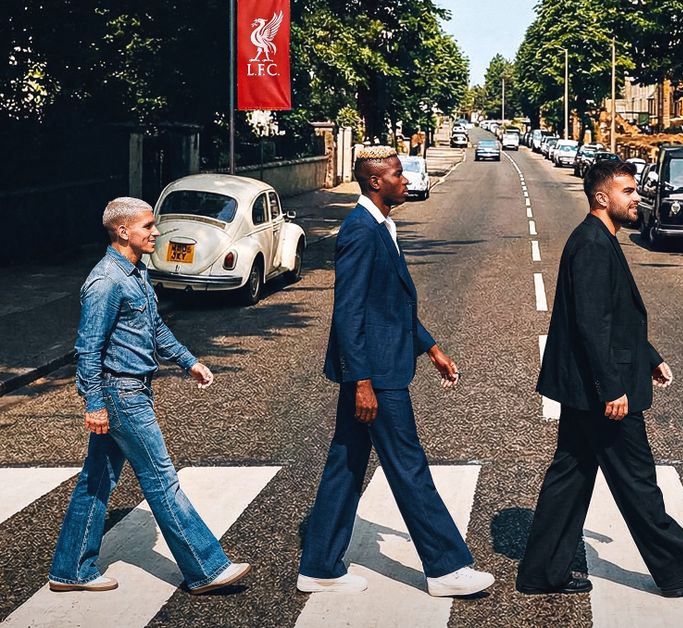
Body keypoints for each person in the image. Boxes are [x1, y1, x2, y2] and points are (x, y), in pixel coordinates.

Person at [516, 160, 683, 597]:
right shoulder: (592, 244)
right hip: (600, 390)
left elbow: (614, 317)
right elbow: (592, 325)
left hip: (585, 385)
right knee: (636, 477)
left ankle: (541, 573)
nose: (637, 198)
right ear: (601, 197)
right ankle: (678, 568)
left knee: (570, 477)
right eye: (628, 191)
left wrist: (649, 355)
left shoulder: (600, 239)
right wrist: (612, 387)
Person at [297, 146, 494, 597]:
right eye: (396, 175)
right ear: (374, 183)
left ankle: (320, 566)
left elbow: (391, 303)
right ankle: (446, 567)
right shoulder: (361, 232)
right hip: (377, 375)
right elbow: (348, 314)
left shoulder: (380, 225)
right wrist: (361, 381)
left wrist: (431, 348)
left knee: (345, 466)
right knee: (408, 466)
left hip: (378, 365)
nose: (405, 180)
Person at [48, 197, 250, 594]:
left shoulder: (136, 273)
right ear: (123, 231)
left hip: (135, 386)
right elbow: (87, 349)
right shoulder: (106, 281)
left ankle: (70, 568)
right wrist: (94, 403)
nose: (156, 232)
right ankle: (206, 567)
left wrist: (189, 361)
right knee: (161, 479)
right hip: (120, 392)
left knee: (97, 479)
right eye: (148, 226)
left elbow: (155, 329)